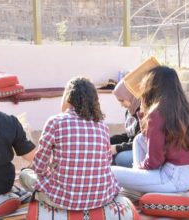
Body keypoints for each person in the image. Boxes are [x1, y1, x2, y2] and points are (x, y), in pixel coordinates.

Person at [20, 77, 120, 210]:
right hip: (101, 198)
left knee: (24, 175)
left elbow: (39, 167)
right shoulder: (102, 125)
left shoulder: (55, 122)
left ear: (68, 97)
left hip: (64, 200)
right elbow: (106, 162)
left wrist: (52, 172)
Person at [112, 66, 189, 193]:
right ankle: (140, 184)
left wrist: (139, 169)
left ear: (152, 86)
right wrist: (143, 112)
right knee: (139, 139)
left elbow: (154, 161)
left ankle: (138, 186)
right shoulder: (183, 108)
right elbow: (147, 137)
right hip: (188, 174)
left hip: (173, 177)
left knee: (110, 172)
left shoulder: (157, 113)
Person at [110, 79, 141, 168]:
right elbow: (129, 136)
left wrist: (117, 148)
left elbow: (140, 142)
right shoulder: (129, 112)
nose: (121, 105)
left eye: (122, 100)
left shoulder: (143, 114)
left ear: (132, 96)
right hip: (133, 147)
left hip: (142, 151)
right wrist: (108, 140)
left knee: (121, 158)